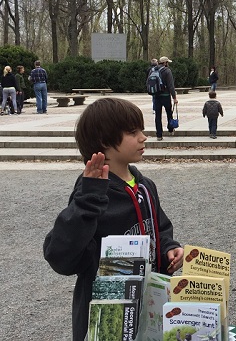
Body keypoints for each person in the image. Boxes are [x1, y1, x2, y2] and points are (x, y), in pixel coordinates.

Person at [43, 97, 184, 341]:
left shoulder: (145, 186)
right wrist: (87, 200)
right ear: (104, 141)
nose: (143, 137)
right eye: (132, 132)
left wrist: (169, 249)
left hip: (149, 305)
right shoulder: (91, 195)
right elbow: (61, 257)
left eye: (141, 129)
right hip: (107, 317)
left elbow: (159, 229)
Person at [153, 56, 178, 141]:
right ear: (165, 63)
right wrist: (174, 97)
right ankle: (170, 129)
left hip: (156, 96)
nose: (168, 64)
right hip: (166, 95)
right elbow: (171, 86)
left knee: (157, 115)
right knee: (169, 113)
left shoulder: (153, 69)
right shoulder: (167, 71)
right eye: (167, 63)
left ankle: (159, 135)